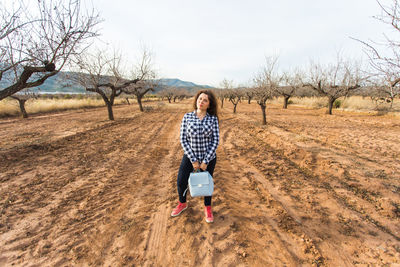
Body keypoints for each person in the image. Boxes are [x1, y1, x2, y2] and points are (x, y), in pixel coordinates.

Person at [171, 90, 220, 223]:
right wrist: (193, 160)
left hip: (208, 157)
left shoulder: (213, 119)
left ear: (209, 104)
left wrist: (205, 161)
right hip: (190, 156)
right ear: (196, 100)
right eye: (200, 99)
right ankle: (182, 203)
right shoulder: (187, 117)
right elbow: (183, 139)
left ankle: (207, 207)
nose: (201, 102)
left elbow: (215, 141)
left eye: (205, 100)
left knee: (206, 183)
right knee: (181, 181)